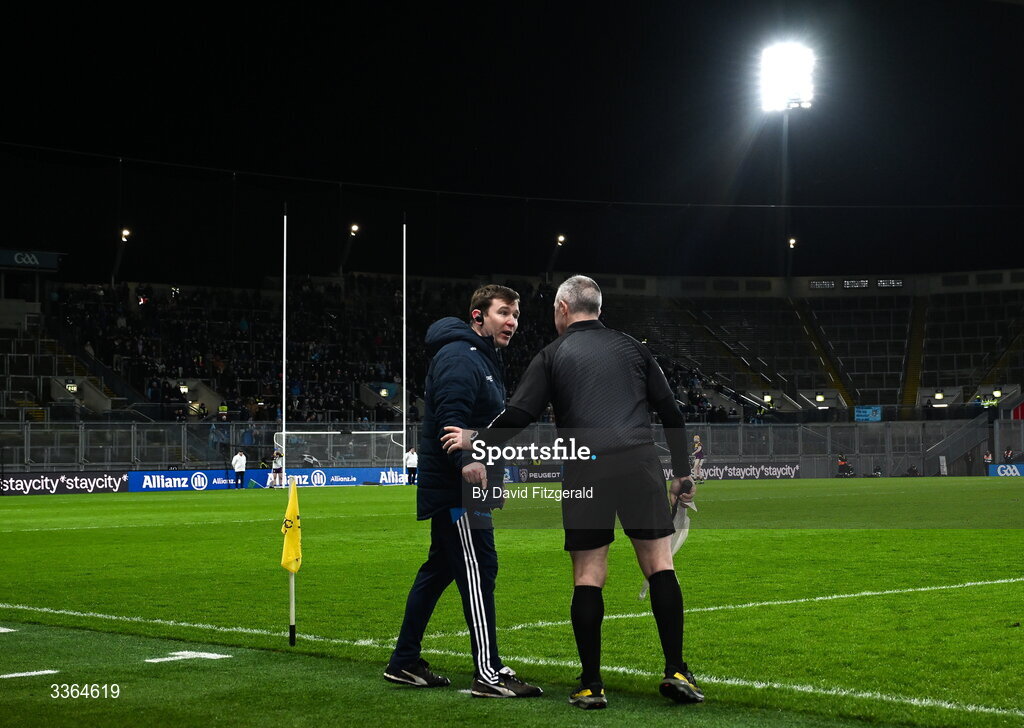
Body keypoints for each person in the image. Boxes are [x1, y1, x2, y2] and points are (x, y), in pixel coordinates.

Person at [442, 275, 701, 710]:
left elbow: (520, 413)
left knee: (588, 575)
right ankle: (676, 669)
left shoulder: (553, 354)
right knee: (660, 566)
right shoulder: (633, 347)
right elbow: (672, 413)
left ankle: (592, 685)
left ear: (563, 308)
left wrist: (477, 440)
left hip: (586, 467)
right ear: (597, 307)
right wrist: (680, 474)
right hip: (639, 463)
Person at [384, 284, 542, 698]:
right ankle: (488, 673)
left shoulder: (480, 357)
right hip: (459, 492)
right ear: (478, 317)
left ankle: (404, 662)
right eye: (504, 313)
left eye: (516, 316)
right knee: (479, 570)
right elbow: (450, 419)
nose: (512, 322)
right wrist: (466, 462)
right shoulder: (461, 355)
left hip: (465, 489)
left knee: (439, 571)